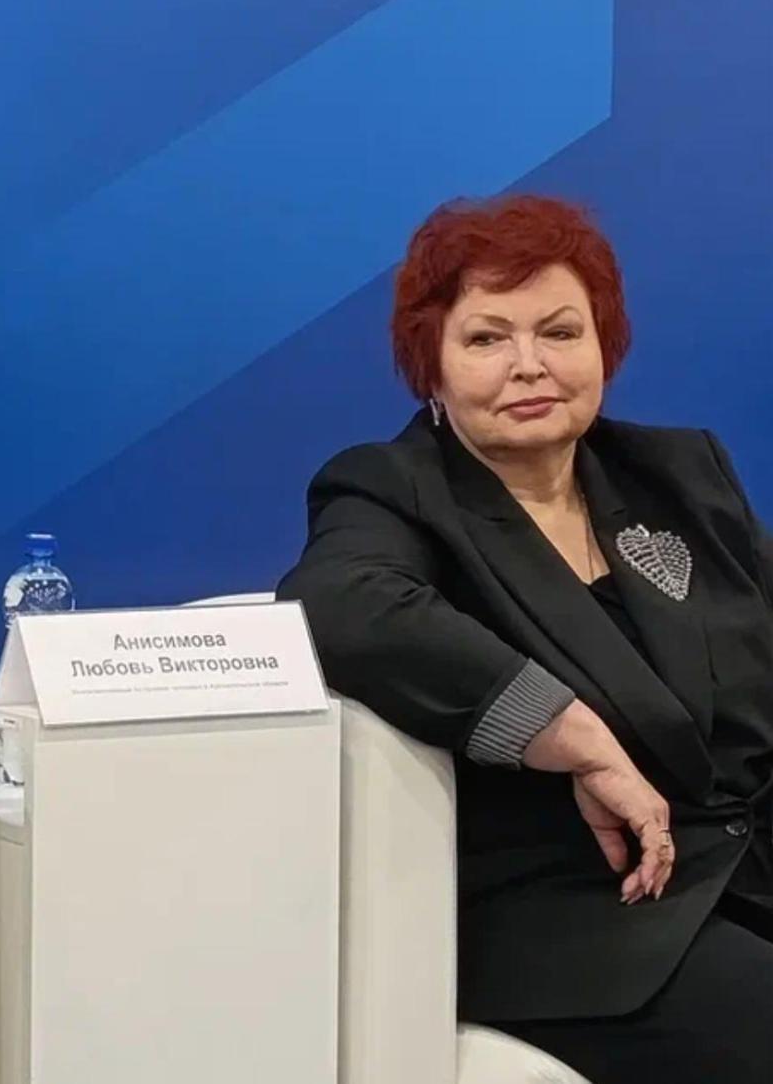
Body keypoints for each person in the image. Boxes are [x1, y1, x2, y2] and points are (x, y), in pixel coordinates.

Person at [279, 196, 772, 1082]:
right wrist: (567, 732)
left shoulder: (680, 474)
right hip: (584, 920)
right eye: (487, 339)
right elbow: (339, 606)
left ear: (603, 344)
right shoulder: (392, 490)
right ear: (431, 362)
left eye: (560, 332)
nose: (530, 366)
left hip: (746, 871)